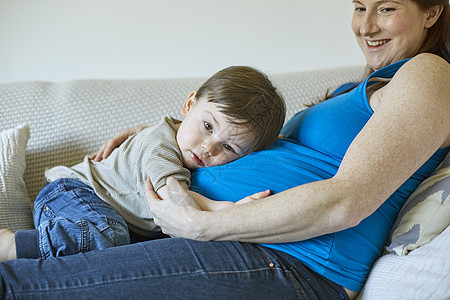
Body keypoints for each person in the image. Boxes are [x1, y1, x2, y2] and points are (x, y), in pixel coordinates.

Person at [0, 0, 449, 299]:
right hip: (197, 230)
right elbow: (239, 139)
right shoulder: (351, 88)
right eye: (358, 6)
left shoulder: (429, 73)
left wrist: (201, 221)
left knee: (23, 285)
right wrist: (158, 137)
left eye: (387, 8)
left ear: (432, 12)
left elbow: (347, 202)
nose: (366, 24)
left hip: (290, 260)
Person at [0, 66, 286, 260]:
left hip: (104, 214)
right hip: (71, 194)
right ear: (189, 105)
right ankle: (13, 245)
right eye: (208, 126)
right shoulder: (160, 143)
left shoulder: (189, 146)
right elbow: (175, 198)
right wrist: (233, 211)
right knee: (107, 232)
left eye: (229, 147)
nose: (208, 147)